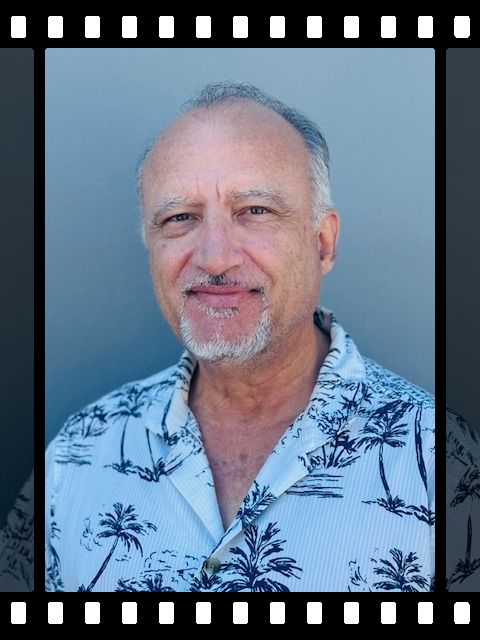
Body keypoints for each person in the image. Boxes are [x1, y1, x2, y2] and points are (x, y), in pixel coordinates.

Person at [45, 80, 436, 593]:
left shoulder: (440, 462)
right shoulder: (76, 453)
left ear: (322, 244)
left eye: (254, 211)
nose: (215, 257)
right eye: (179, 218)